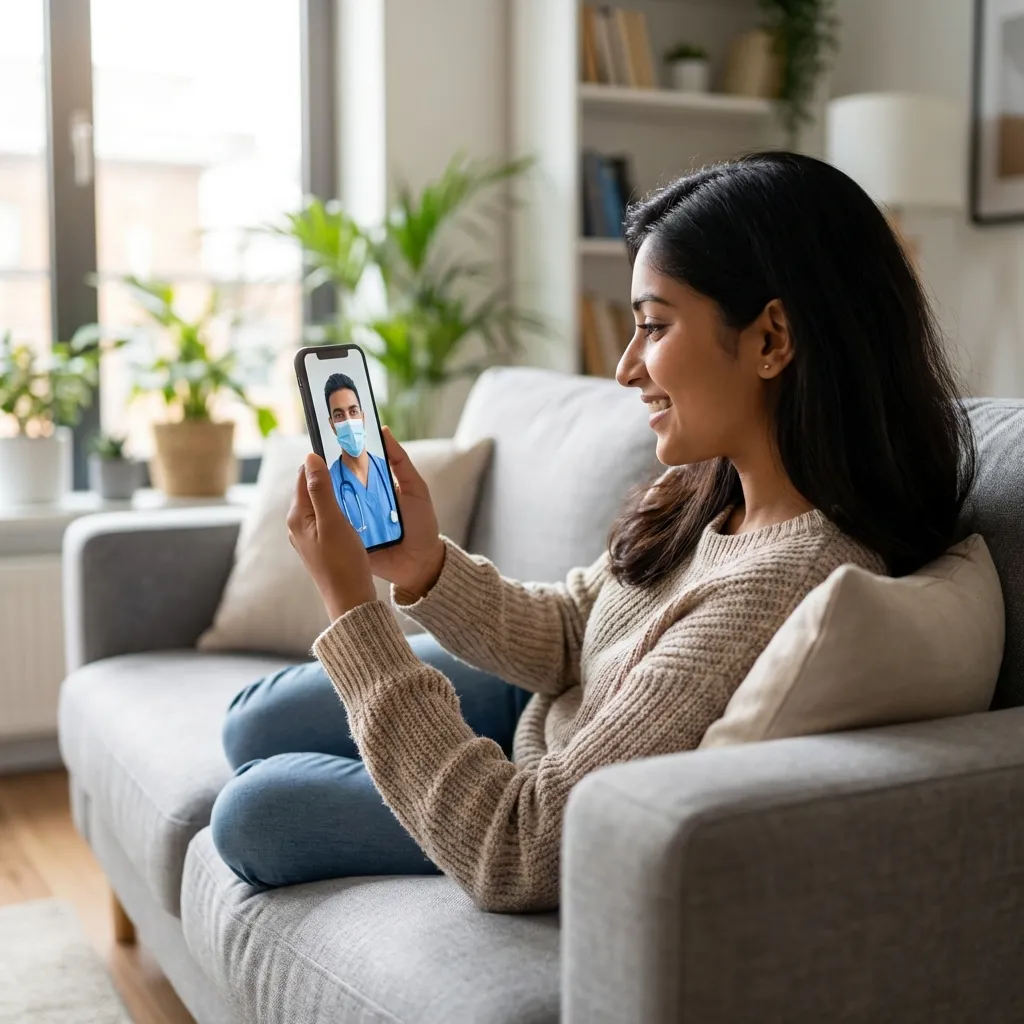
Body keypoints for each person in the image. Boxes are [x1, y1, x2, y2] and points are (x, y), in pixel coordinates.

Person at [211, 152, 975, 914]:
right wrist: (425, 566)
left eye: (653, 326)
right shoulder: (707, 483)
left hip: (536, 790)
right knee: (256, 719)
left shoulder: (779, 587)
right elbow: (575, 630)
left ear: (772, 340)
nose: (624, 368)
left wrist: (354, 610)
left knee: (255, 812)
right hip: (545, 713)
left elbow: (518, 850)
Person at [323, 371, 401, 548]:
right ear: (332, 425)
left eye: (353, 411)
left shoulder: (388, 471)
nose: (349, 421)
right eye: (339, 415)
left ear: (363, 417)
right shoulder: (328, 485)